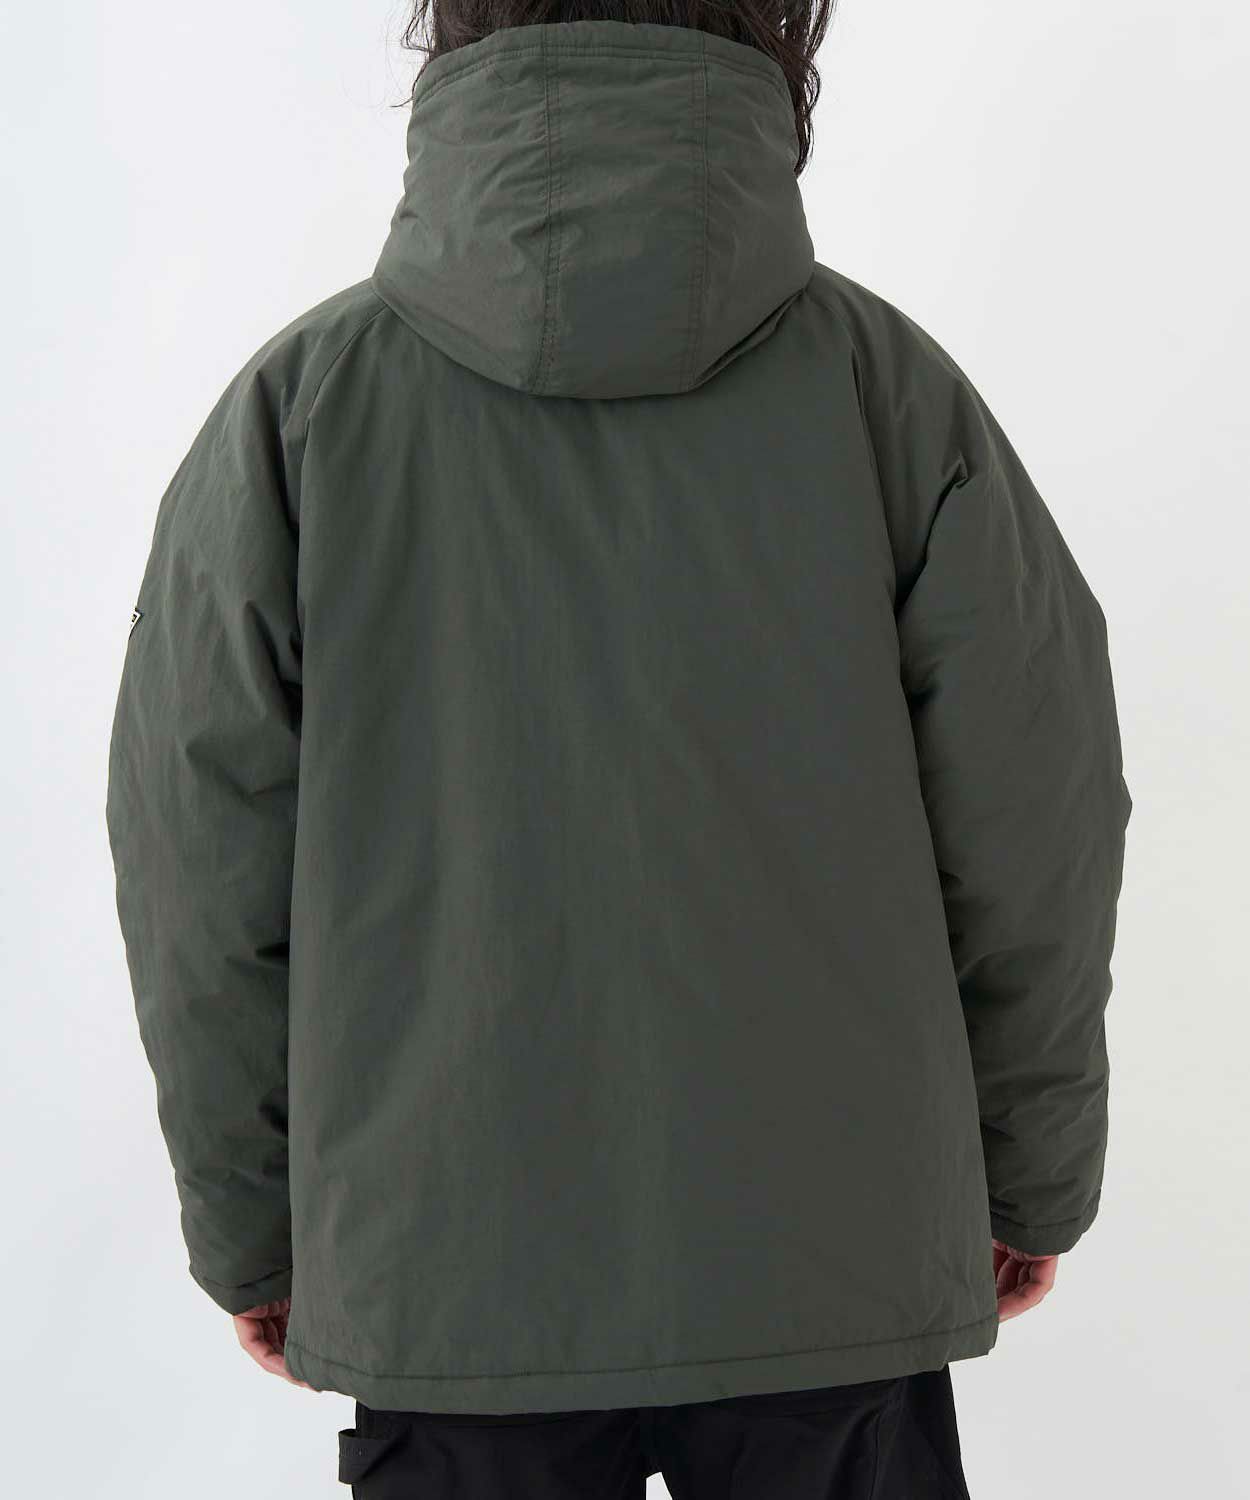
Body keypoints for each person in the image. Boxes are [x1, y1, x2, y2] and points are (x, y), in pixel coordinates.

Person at [105, 3, 1131, 1496]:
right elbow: (1036, 820)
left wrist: (254, 1228)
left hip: (443, 1267)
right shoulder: (890, 395)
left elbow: (195, 863)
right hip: (830, 1262)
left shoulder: (302, 408)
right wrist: (1028, 1175)